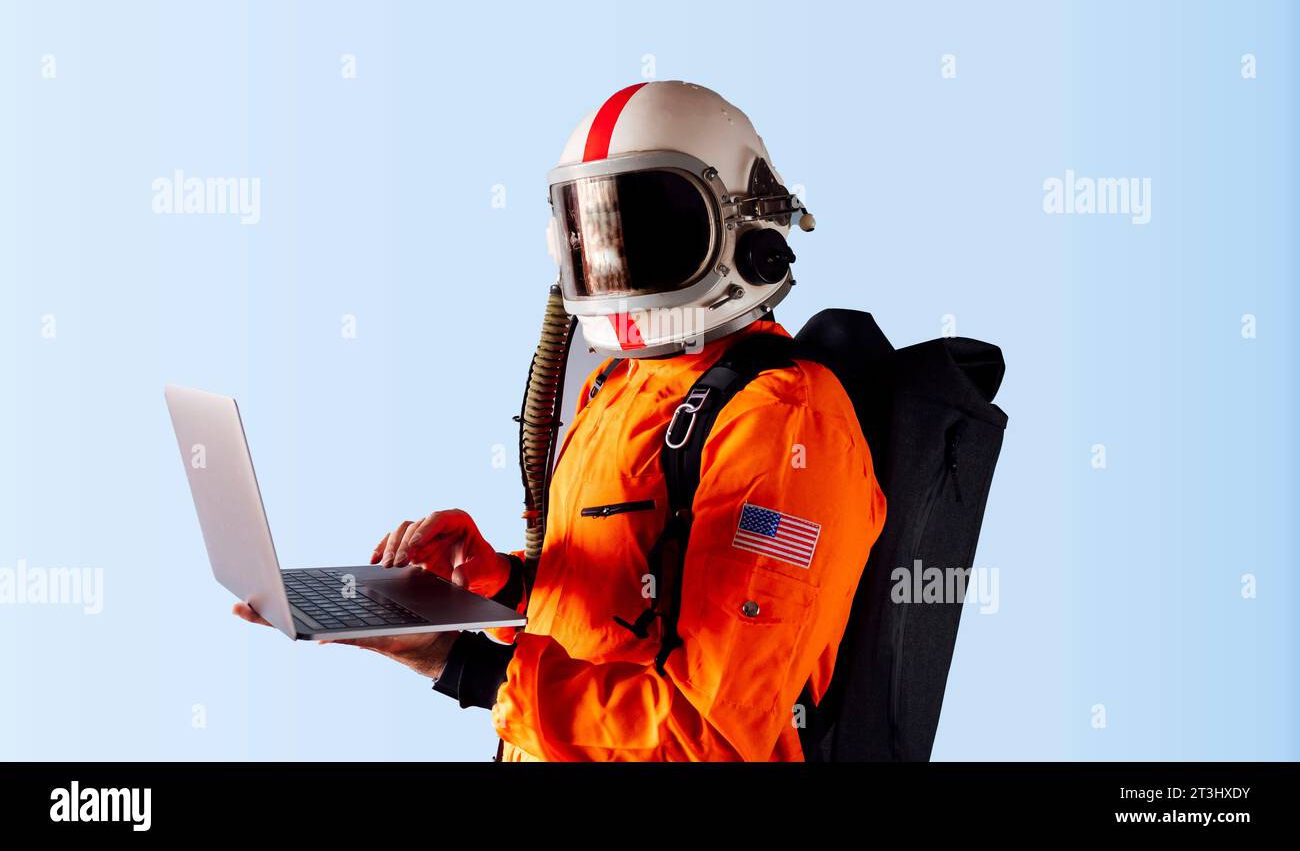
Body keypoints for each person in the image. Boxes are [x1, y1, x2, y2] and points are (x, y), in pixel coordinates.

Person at [236, 81, 886, 761]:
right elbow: (626, 618)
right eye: (601, 228)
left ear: (749, 230)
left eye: (654, 226)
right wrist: (501, 586)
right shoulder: (619, 385)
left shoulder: (783, 424)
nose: (620, 260)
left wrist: (458, 666)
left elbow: (712, 737)